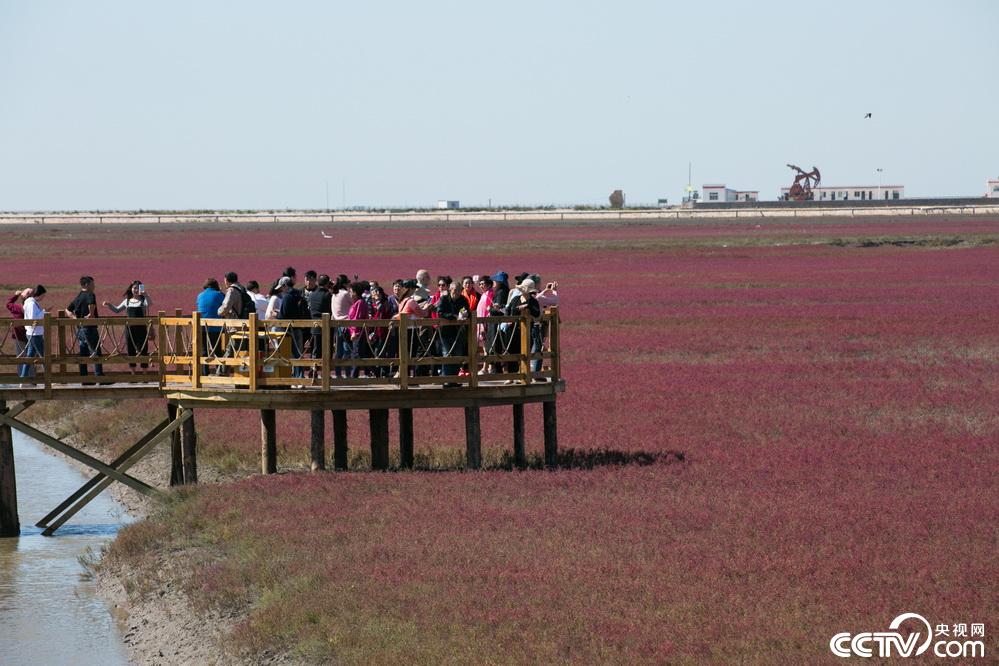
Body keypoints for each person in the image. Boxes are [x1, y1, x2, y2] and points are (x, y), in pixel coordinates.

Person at [103, 281, 152, 372]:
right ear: (131, 289)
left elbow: (149, 304)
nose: (136, 290)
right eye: (134, 288)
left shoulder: (143, 301)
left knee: (143, 349)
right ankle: (133, 373)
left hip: (141, 329)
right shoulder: (127, 301)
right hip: (129, 329)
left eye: (138, 288)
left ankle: (145, 373)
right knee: (130, 350)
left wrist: (146, 295)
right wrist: (109, 304)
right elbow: (117, 310)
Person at [65, 276, 104, 380]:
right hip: (90, 328)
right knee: (95, 351)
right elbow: (91, 303)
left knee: (83, 353)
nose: (94, 286)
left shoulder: (78, 296)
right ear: (87, 284)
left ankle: (84, 379)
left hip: (80, 329)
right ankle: (99, 378)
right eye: (92, 283)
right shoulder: (90, 294)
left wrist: (75, 318)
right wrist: (91, 314)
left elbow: (67, 310)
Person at [503, 278, 541, 381]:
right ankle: (511, 377)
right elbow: (508, 309)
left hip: (526, 332)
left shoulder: (533, 301)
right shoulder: (515, 299)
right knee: (512, 352)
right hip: (513, 331)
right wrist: (508, 319)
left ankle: (523, 376)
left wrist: (527, 306)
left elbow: (537, 313)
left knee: (524, 353)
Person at [216, 272, 253, 375]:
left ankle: (221, 373)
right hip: (245, 324)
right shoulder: (242, 289)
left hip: (236, 325)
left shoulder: (232, 291)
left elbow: (225, 307)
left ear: (227, 280)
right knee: (242, 349)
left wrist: (219, 311)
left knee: (231, 349)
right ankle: (246, 373)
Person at [435, 280, 470, 384]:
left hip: (458, 332)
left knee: (457, 354)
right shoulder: (444, 299)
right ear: (450, 289)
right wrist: (453, 316)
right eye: (455, 290)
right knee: (447, 354)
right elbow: (440, 313)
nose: (457, 292)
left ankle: (454, 380)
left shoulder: (463, 300)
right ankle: (446, 380)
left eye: (460, 290)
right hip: (445, 332)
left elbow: (466, 310)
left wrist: (464, 314)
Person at [278, 277, 307, 380]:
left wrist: (277, 315)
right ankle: (300, 376)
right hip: (299, 327)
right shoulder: (299, 294)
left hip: (289, 329)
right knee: (299, 352)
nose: (281, 290)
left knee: (290, 353)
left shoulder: (287, 297)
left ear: (285, 285)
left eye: (282, 287)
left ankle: (295, 377)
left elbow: (284, 314)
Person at [196, 278, 225, 373]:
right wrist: (220, 291)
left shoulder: (200, 295)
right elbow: (225, 304)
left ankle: (205, 373)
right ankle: (219, 371)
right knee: (217, 349)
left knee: (204, 350)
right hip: (215, 327)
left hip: (201, 326)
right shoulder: (219, 295)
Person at [19, 285, 46, 383]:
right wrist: (44, 312)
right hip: (35, 333)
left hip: (33, 333)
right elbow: (32, 318)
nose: (44, 298)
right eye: (43, 295)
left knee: (30, 356)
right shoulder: (31, 304)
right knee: (43, 356)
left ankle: (23, 378)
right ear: (40, 294)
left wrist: (42, 312)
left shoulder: (31, 303)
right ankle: (49, 379)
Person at [308, 274, 333, 376]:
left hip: (314, 325)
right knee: (327, 350)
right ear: (327, 283)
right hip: (326, 326)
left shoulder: (312, 294)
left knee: (315, 350)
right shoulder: (327, 295)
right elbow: (330, 310)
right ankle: (325, 373)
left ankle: (313, 371)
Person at [367, 285, 394, 377]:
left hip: (383, 332)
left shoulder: (386, 303)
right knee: (374, 352)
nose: (375, 294)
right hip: (373, 332)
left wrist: (379, 301)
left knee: (381, 352)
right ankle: (377, 372)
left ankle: (383, 372)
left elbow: (382, 315)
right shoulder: (370, 303)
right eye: (374, 292)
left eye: (377, 292)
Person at [534, 280, 560, 374]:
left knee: (530, 348)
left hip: (528, 327)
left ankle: (531, 372)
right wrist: (554, 291)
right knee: (538, 348)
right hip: (537, 326)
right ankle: (536, 373)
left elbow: (538, 296)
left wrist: (545, 290)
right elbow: (555, 301)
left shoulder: (525, 296)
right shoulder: (538, 297)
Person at [346, 282, 371, 378]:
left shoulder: (360, 302)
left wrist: (354, 332)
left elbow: (357, 318)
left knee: (356, 355)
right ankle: (375, 372)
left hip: (358, 333)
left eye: (351, 291)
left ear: (356, 292)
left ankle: (353, 377)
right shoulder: (357, 302)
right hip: (356, 333)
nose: (350, 293)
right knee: (360, 354)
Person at [330, 275, 352, 377]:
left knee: (338, 351)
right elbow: (353, 303)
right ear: (344, 284)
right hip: (346, 324)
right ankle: (348, 374)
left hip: (336, 324)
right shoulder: (345, 293)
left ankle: (338, 373)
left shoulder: (334, 294)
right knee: (347, 349)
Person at [7, 288, 31, 376]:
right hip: (31, 335)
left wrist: (16, 295)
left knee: (21, 357)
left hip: (18, 336)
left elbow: (8, 304)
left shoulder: (17, 308)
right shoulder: (32, 307)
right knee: (31, 357)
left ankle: (22, 378)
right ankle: (31, 379)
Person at [474, 276, 493, 374]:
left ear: (489, 284)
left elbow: (488, 310)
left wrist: (484, 324)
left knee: (486, 346)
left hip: (484, 323)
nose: (481, 286)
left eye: (483, 284)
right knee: (485, 346)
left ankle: (485, 368)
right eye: (480, 284)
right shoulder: (484, 294)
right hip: (480, 322)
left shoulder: (490, 294)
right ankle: (489, 367)